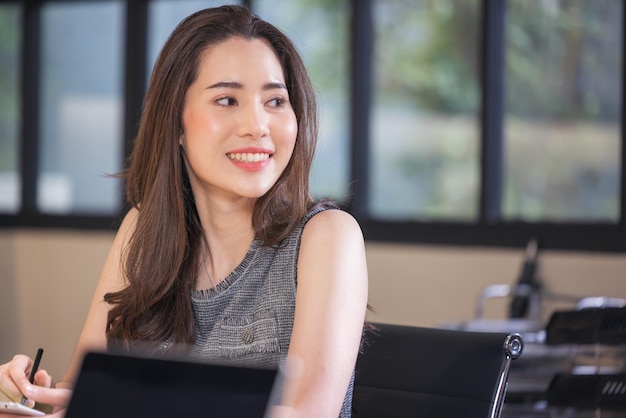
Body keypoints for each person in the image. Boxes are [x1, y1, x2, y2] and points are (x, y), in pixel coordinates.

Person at [0, 5, 368, 418]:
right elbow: (79, 392)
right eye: (227, 99)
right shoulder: (141, 230)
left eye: (275, 101)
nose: (257, 124)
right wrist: (33, 399)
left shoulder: (328, 236)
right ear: (176, 122)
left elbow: (307, 414)